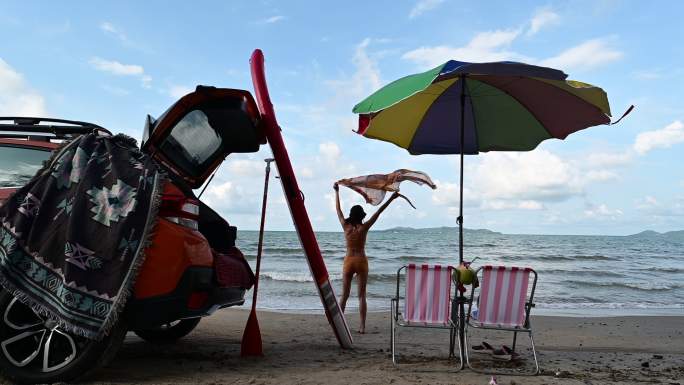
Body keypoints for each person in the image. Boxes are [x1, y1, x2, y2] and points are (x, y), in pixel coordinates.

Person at [334, 182, 400, 334]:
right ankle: (362, 327)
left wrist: (337, 192)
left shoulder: (346, 226)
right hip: (361, 261)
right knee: (362, 295)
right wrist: (391, 199)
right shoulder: (364, 228)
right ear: (362, 215)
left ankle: (340, 325)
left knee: (344, 295)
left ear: (351, 214)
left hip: (349, 261)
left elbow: (338, 210)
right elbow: (379, 212)